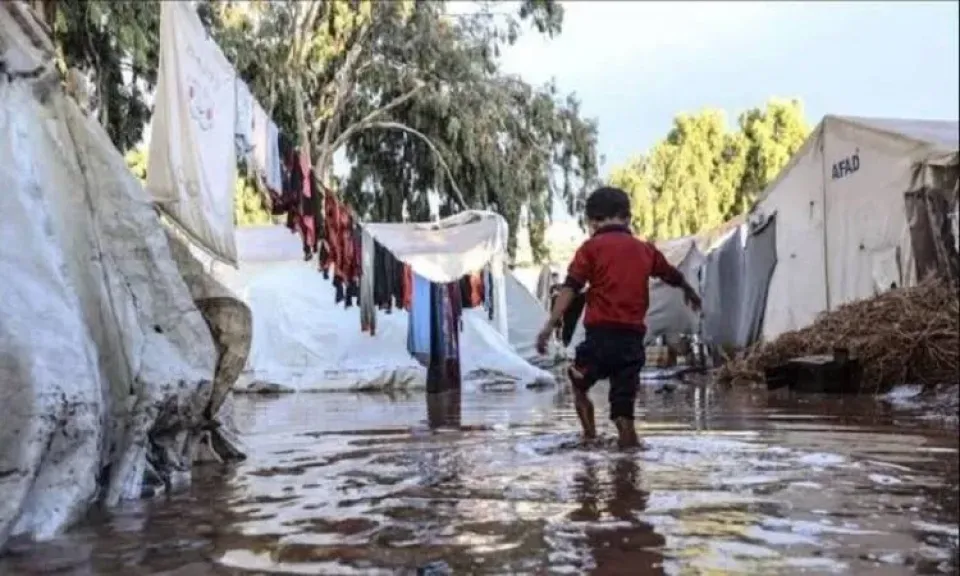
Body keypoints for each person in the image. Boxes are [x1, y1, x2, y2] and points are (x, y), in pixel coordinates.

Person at [536, 186, 701, 449]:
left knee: (578, 382)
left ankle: (589, 437)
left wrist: (549, 325)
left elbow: (571, 287)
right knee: (623, 413)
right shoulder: (645, 250)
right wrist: (689, 292)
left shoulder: (590, 249)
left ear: (593, 222)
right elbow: (671, 274)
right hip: (632, 342)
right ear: (628, 218)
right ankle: (630, 457)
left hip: (600, 338)